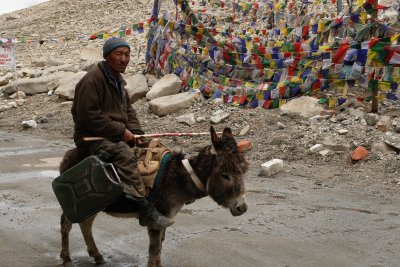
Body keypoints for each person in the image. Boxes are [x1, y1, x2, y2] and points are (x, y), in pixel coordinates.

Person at [71, 37, 173, 229]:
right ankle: (145, 210)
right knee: (124, 153)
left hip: (113, 134)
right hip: (92, 137)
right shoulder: (92, 81)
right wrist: (121, 131)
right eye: (119, 54)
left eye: (127, 55)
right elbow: (89, 116)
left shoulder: (118, 82)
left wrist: (137, 134)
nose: (124, 59)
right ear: (107, 56)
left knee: (153, 149)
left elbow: (129, 112)